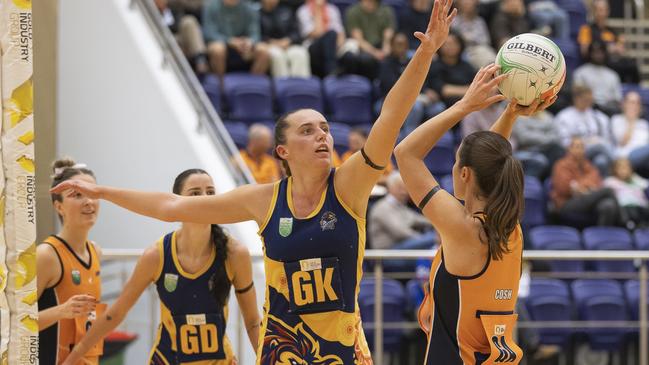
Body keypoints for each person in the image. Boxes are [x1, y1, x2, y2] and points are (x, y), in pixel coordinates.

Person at [51, 2, 458, 363]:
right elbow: (170, 207)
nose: (322, 136)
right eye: (307, 131)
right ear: (282, 151)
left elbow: (390, 116)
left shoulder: (349, 185)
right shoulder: (262, 200)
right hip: (284, 350)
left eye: (325, 128)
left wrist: (426, 51)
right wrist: (102, 191)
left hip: (343, 350)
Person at [395, 63, 556, 364]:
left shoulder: (463, 229)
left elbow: (406, 153)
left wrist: (463, 106)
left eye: (457, 163)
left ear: (465, 174)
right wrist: (509, 114)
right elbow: (493, 158)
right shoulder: (511, 229)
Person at [62, 169, 260, 365]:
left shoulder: (234, 253)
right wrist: (74, 356)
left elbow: (252, 322)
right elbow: (116, 313)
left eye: (210, 192)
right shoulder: (157, 255)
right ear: (175, 202)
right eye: (195, 193)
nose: (204, 199)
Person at [38, 159, 104, 365]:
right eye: (77, 195)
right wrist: (61, 311)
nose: (88, 201)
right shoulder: (46, 255)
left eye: (93, 193)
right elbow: (13, 322)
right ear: (59, 206)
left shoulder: (95, 251)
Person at [369, 172, 437, 271]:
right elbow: (401, 232)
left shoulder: (401, 205)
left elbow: (418, 219)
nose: (404, 191)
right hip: (387, 255)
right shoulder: (382, 208)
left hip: (403, 249)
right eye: (400, 187)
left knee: (433, 239)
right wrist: (424, 239)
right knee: (433, 238)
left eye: (406, 187)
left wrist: (437, 223)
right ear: (391, 188)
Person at [551, 137, 620, 226]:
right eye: (576, 146)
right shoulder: (561, 165)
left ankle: (600, 237)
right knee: (608, 190)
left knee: (608, 205)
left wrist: (579, 186)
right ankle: (624, 221)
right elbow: (563, 189)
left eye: (582, 147)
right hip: (567, 203)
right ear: (569, 149)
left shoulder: (589, 165)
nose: (580, 150)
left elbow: (598, 183)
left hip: (588, 200)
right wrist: (586, 186)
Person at [203, 0, 271, 76]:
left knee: (263, 50)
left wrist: (249, 42)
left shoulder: (249, 8)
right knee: (217, 49)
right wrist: (229, 41)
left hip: (244, 48)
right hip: (222, 44)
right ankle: (220, 85)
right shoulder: (211, 6)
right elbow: (209, 33)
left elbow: (255, 34)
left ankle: (252, 84)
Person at [260, 0, 311, 77]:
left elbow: (297, 33)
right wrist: (272, 42)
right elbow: (257, 36)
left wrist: (288, 41)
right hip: (269, 46)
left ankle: (301, 86)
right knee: (278, 56)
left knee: (300, 53)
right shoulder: (257, 14)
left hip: (288, 44)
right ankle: (283, 86)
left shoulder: (287, 11)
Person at [604, 158, 649, 229]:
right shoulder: (610, 181)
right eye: (621, 168)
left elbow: (646, 184)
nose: (624, 171)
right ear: (615, 169)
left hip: (640, 207)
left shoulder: (636, 179)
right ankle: (630, 225)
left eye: (626, 167)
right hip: (623, 208)